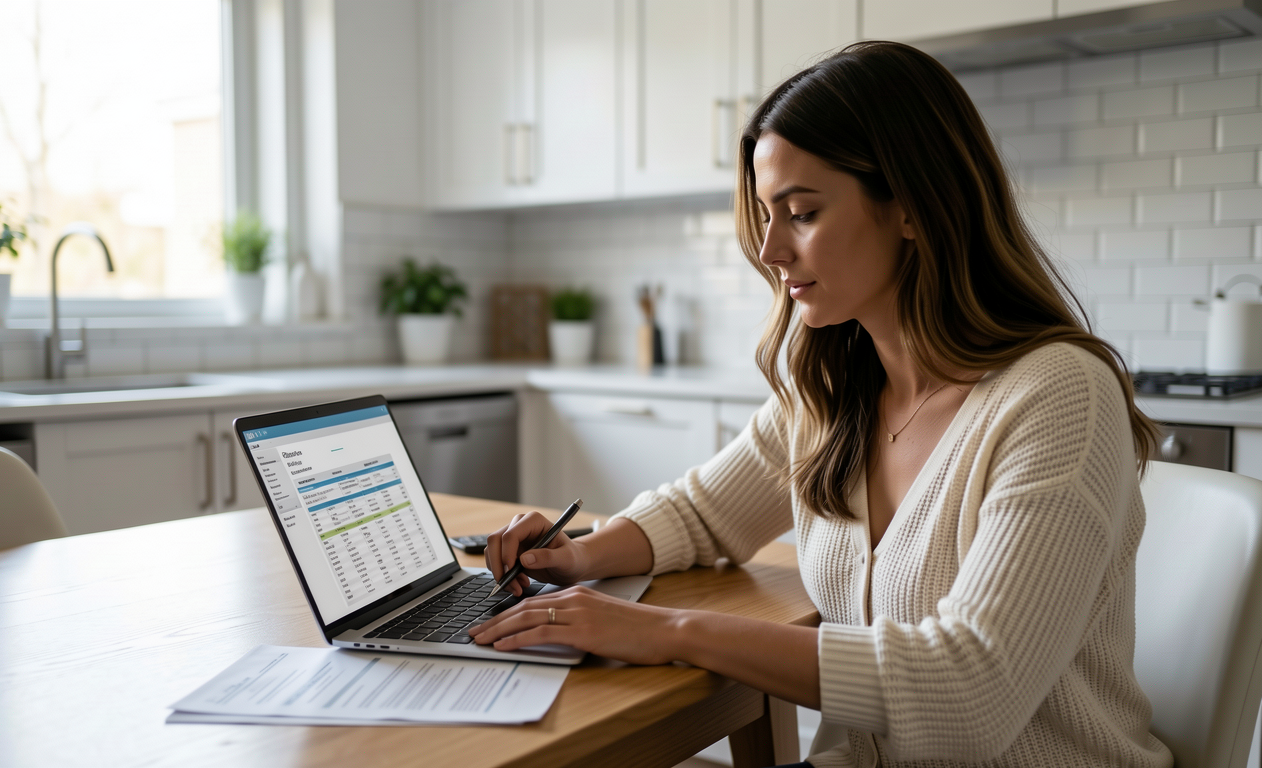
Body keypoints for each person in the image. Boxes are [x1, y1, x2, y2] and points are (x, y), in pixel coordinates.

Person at [468, 40, 1172, 768]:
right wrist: (579, 555)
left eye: (801, 212)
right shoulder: (836, 391)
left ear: (911, 208)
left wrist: (668, 631)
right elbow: (704, 513)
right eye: (766, 216)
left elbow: (969, 696)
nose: (771, 250)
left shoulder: (1058, 395)